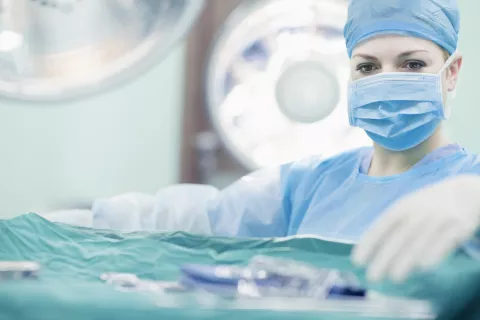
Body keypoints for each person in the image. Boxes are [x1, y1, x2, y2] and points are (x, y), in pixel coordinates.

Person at [93, 0, 480, 284]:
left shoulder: (468, 185)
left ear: (451, 73)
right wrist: (80, 222)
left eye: (413, 65)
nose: (387, 79)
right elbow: (195, 218)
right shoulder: (310, 185)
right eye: (368, 66)